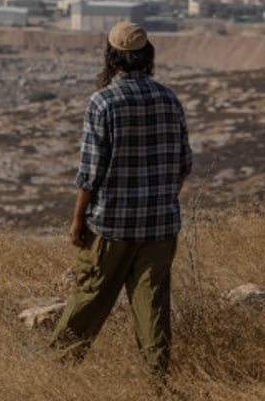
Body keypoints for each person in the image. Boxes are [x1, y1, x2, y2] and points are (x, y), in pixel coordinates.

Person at [49, 21, 192, 380]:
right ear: (147, 58)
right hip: (160, 225)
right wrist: (161, 202)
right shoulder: (168, 98)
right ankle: (156, 381)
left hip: (110, 225)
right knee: (153, 306)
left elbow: (91, 172)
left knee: (90, 297)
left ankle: (54, 371)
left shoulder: (103, 102)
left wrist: (78, 219)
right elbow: (183, 164)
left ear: (112, 59)